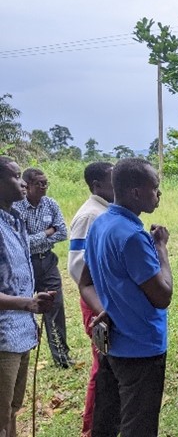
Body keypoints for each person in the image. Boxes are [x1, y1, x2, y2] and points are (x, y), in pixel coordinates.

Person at [78, 158, 172, 437]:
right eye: (155, 188)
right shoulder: (133, 237)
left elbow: (84, 283)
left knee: (107, 419)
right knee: (139, 424)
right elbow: (163, 296)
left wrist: (103, 310)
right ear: (135, 192)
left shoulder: (100, 224)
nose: (158, 195)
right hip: (141, 348)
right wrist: (161, 248)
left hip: (113, 346)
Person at [0, 156, 55, 437]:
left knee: (11, 408)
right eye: (15, 176)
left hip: (21, 331)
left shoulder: (15, 221)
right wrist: (27, 303)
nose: (23, 183)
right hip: (3, 338)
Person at [67, 161, 114, 436]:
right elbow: (77, 267)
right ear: (97, 185)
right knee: (102, 364)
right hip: (97, 304)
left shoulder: (105, 211)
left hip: (105, 301)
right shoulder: (90, 215)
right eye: (112, 179)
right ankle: (92, 427)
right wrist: (101, 305)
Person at [14, 167, 73, 368]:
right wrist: (47, 233)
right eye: (39, 183)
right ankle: (23, 352)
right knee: (26, 306)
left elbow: (63, 233)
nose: (44, 186)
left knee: (55, 307)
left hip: (47, 262)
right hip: (25, 263)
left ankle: (62, 357)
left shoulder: (51, 204)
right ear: (27, 185)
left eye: (46, 182)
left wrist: (43, 235)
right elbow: (21, 243)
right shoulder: (17, 208)